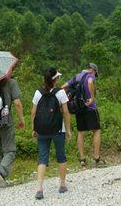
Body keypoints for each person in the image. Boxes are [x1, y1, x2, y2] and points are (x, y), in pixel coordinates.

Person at [32, 67, 72, 200]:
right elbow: (66, 112)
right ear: (55, 79)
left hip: (42, 130)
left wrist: (34, 128)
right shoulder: (60, 92)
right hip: (58, 130)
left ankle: (39, 189)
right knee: (61, 156)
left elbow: (33, 113)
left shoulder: (38, 92)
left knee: (42, 158)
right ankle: (62, 185)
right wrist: (68, 130)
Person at [62, 62, 104, 167]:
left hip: (79, 108)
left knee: (81, 132)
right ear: (93, 70)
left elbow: (63, 87)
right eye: (95, 74)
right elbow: (90, 82)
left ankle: (82, 159)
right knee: (97, 131)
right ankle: (96, 157)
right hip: (90, 108)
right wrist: (92, 98)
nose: (95, 76)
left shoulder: (77, 76)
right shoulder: (90, 76)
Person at [0, 77, 24, 188]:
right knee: (10, 150)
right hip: (5, 122)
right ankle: (1, 172)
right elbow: (17, 103)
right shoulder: (11, 82)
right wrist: (21, 119)